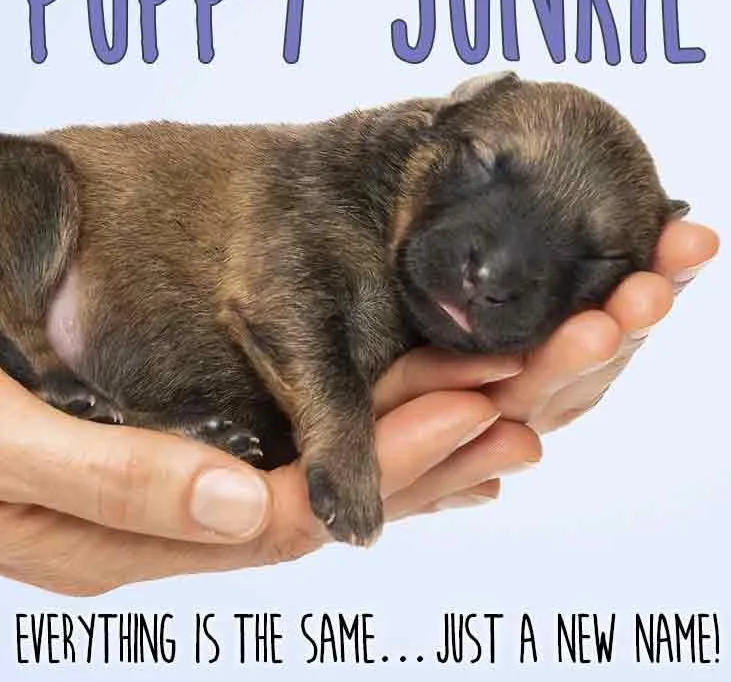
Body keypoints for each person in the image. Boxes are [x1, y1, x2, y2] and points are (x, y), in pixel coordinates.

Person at [0, 220, 718, 595]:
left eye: (587, 261)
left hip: (131, 377)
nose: (493, 272)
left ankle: (95, 409)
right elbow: (276, 297)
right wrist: (336, 427)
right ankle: (41, 363)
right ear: (440, 124)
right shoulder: (328, 191)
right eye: (488, 168)